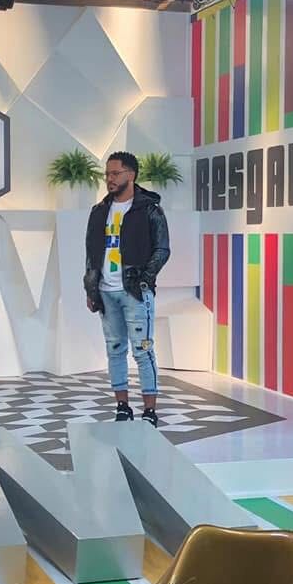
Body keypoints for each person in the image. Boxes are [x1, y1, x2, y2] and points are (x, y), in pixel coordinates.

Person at [84, 151, 170, 427]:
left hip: (135, 292)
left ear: (130, 175)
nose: (109, 179)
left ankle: (149, 410)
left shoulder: (150, 209)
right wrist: (90, 288)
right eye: (107, 174)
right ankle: (122, 406)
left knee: (143, 350)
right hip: (105, 292)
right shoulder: (99, 211)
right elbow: (91, 252)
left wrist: (144, 278)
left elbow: (162, 249)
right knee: (115, 349)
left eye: (115, 173)